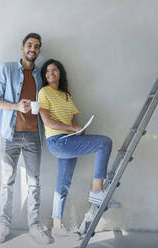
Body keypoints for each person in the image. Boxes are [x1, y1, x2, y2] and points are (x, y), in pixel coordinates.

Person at [38, 59, 113, 237]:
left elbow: (72, 120)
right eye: (47, 71)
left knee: (62, 185)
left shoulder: (66, 95)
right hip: (57, 142)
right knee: (104, 142)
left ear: (60, 73)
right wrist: (72, 129)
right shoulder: (43, 92)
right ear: (44, 75)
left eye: (54, 70)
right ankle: (97, 190)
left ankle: (57, 226)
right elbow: (47, 121)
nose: (50, 73)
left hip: (70, 140)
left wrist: (79, 128)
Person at [0, 33, 52, 245]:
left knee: (34, 184)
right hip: (10, 135)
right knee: (7, 182)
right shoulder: (6, 68)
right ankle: (3, 226)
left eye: (36, 46)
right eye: (29, 45)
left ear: (39, 50)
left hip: (34, 135)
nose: (32, 49)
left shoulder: (40, 75)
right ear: (22, 48)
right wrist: (16, 106)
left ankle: (34, 226)